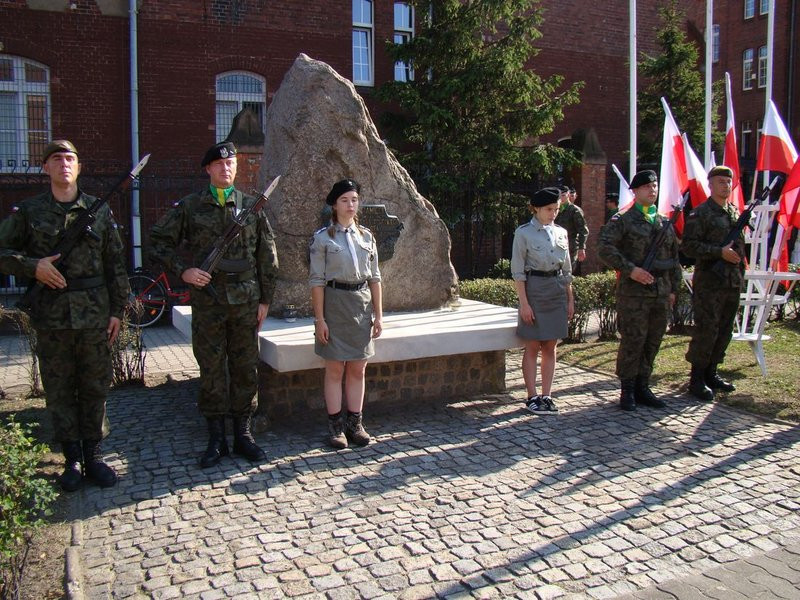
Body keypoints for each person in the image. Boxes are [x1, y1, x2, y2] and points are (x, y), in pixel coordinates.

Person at [0, 140, 129, 491]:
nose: (63, 163)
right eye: (55, 159)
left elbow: (115, 263)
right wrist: (32, 266)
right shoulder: (29, 212)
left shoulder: (98, 211)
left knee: (94, 385)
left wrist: (118, 309)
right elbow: (3, 251)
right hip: (52, 316)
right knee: (58, 387)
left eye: (69, 157)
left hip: (94, 315)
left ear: (79, 166)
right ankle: (71, 459)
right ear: (45, 168)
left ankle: (94, 455)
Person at [147, 141, 279, 468]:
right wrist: (184, 271)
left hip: (246, 301)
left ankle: (244, 434)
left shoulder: (251, 207)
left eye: (230, 163)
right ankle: (216, 437)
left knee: (245, 366)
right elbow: (157, 242)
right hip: (209, 302)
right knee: (211, 367)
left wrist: (265, 299)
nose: (225, 168)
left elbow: (267, 255)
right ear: (208, 169)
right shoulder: (191, 207)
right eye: (219, 164)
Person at [598, 170, 682, 411]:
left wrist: (674, 289)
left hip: (661, 292)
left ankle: (644, 386)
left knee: (653, 340)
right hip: (634, 293)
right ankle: (628, 389)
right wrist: (630, 269)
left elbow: (673, 259)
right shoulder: (623, 219)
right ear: (635, 191)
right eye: (646, 186)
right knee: (633, 340)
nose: (652, 189)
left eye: (654, 185)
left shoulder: (664, 221)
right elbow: (604, 248)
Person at [309, 179, 383, 448]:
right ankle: (335, 427)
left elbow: (375, 278)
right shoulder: (322, 238)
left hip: (360, 305)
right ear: (334, 205)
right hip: (334, 304)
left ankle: (355, 424)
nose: (350, 205)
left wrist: (379, 315)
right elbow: (317, 281)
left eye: (354, 199)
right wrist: (320, 320)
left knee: (358, 368)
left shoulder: (367, 237)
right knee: (334, 369)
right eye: (344, 200)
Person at [511, 187, 574, 414]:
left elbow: (566, 270)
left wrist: (570, 299)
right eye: (549, 209)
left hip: (556, 288)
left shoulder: (561, 233)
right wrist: (524, 304)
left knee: (550, 345)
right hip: (534, 288)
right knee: (532, 345)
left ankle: (547, 395)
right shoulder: (524, 233)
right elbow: (518, 271)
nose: (553, 213)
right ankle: (531, 396)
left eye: (556, 209)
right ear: (536, 208)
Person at [681, 165, 742, 401]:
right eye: (720, 182)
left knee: (725, 330)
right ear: (710, 184)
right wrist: (718, 252)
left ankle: (711, 373)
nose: (725, 186)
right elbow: (688, 246)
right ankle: (697, 378)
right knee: (707, 330)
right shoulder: (701, 213)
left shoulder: (734, 213)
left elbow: (739, 250)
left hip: (732, 281)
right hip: (709, 283)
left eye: (728, 182)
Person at [555, 185, 589, 276]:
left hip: (570, 246)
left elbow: (583, 230)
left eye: (563, 195)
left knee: (567, 273)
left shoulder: (574, 210)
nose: (561, 197)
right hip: (555, 245)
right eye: (559, 195)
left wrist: (582, 248)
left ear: (568, 194)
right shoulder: (554, 210)